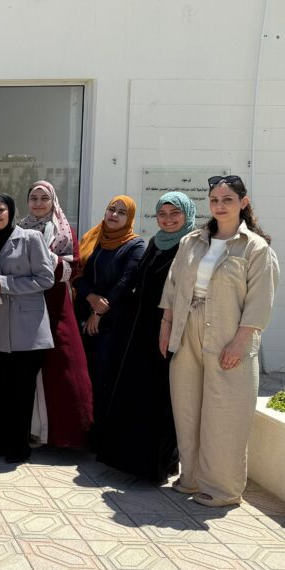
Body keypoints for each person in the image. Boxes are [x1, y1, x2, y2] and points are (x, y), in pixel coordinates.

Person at [160, 176, 279, 507]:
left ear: (243, 203)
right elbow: (173, 286)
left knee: (225, 414)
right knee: (187, 409)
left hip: (229, 333)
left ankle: (222, 489)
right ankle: (191, 477)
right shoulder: (192, 241)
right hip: (187, 330)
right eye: (214, 200)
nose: (220, 205)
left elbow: (261, 300)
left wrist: (240, 342)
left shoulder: (255, 247)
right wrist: (166, 326)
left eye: (227, 199)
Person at [97, 192, 195, 482]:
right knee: (139, 395)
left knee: (162, 397)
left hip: (169, 329)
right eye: (162, 214)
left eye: (174, 213)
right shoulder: (156, 243)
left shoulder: (191, 246)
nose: (168, 219)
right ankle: (131, 461)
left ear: (187, 214)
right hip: (140, 331)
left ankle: (159, 464)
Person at [18, 181, 92, 449]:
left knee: (62, 365)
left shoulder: (63, 230)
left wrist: (47, 258)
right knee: (25, 368)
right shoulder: (19, 229)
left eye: (44, 198)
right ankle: (30, 429)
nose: (38, 203)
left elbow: (74, 268)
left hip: (56, 304)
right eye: (33, 198)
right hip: (24, 303)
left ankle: (64, 434)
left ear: (53, 201)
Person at [0, 193, 56, 463]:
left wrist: (8, 283)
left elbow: (46, 278)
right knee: (0, 387)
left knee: (22, 391)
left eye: (0, 210)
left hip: (28, 329)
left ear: (11, 211)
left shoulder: (30, 238)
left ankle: (18, 446)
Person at [74, 195, 145, 437]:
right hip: (83, 313)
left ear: (130, 217)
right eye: (111, 209)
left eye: (121, 212)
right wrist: (90, 296)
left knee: (104, 375)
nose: (114, 215)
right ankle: (83, 428)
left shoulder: (135, 245)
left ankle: (102, 434)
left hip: (113, 321)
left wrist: (98, 312)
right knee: (84, 374)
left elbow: (125, 282)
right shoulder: (93, 238)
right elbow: (77, 274)